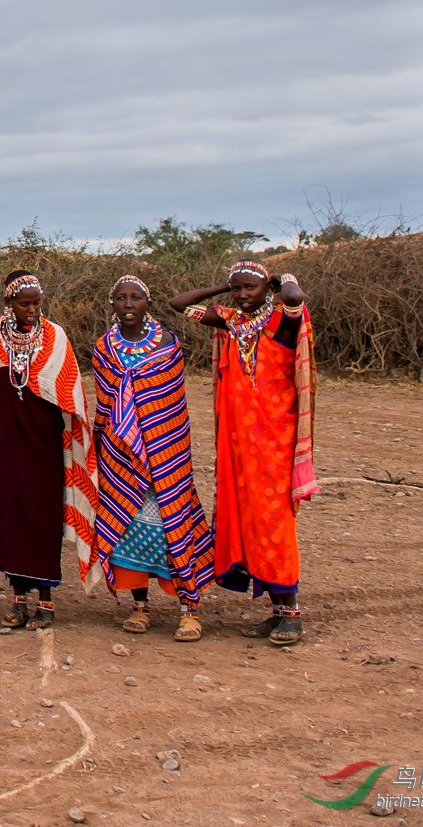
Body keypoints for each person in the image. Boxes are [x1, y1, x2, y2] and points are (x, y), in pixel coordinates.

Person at [171, 260, 317, 646]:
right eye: (238, 289)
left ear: (266, 289)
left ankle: (292, 613)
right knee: (249, 521)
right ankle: (277, 611)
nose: (241, 295)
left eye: (249, 288)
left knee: (274, 523)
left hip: (274, 439)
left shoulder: (283, 321)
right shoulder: (231, 320)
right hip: (239, 440)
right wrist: (225, 286)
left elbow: (294, 298)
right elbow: (178, 303)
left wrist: (281, 279)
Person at [90, 276, 211, 642]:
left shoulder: (168, 346)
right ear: (112, 304)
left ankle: (188, 609)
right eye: (121, 298)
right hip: (120, 453)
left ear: (148, 302)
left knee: (174, 521)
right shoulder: (103, 349)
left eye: (136, 298)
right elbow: (105, 404)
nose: (128, 304)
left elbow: (172, 404)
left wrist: (156, 436)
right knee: (127, 526)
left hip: (166, 447)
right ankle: (140, 605)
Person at [0, 271, 97, 630]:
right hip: (3, 443)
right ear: (8, 303)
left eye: (36, 303)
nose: (31, 310)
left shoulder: (55, 337)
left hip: (43, 444)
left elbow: (68, 391)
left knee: (42, 517)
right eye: (23, 303)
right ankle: (18, 598)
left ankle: (46, 600)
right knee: (10, 517)